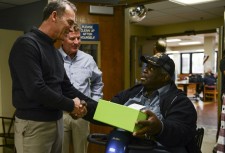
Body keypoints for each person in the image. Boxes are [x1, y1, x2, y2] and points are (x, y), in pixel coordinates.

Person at [8, 1, 97, 153]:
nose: (71, 28)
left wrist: (119, 117)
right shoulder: (27, 45)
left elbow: (67, 89)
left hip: (56, 123)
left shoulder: (54, 52)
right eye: (69, 22)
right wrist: (71, 105)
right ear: (54, 16)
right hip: (34, 125)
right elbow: (36, 89)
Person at [111, 53, 198, 153]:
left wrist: (160, 128)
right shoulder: (131, 93)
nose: (144, 70)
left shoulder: (179, 101)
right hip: (125, 146)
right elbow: (106, 110)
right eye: (146, 66)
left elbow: (183, 132)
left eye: (152, 68)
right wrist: (89, 107)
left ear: (164, 77)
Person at [58, 23, 104, 153]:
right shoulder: (54, 58)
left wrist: (93, 103)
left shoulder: (88, 59)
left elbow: (97, 83)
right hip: (61, 114)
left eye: (79, 38)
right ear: (63, 39)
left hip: (82, 113)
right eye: (72, 38)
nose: (77, 42)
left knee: (81, 150)